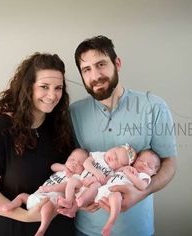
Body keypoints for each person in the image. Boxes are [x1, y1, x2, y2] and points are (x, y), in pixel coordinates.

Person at [68, 35, 177, 236]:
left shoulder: (154, 107)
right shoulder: (73, 113)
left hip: (137, 229)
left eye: (101, 64)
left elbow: (169, 162)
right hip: (86, 229)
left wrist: (142, 191)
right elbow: (72, 165)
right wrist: (77, 197)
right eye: (86, 69)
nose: (95, 75)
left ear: (117, 63)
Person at [0, 52, 77, 236]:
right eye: (44, 87)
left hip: (61, 228)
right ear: (28, 87)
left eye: (58, 88)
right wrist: (27, 216)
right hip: (16, 228)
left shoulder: (61, 126)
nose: (52, 95)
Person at [0, 148, 88, 236]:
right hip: (38, 195)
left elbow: (65, 186)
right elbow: (53, 166)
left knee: (47, 208)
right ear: (67, 159)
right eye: (72, 159)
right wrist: (64, 168)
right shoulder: (62, 170)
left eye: (80, 164)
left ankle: (42, 229)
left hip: (51, 199)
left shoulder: (76, 178)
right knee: (22, 196)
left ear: (84, 169)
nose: (75, 163)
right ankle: (9, 206)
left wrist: (49, 189)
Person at [94, 149, 161, 236]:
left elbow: (142, 186)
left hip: (118, 194)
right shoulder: (128, 168)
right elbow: (113, 173)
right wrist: (124, 169)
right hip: (104, 188)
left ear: (154, 173)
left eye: (149, 165)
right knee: (91, 189)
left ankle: (111, 220)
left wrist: (129, 173)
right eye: (141, 160)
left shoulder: (143, 176)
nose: (144, 164)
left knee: (115, 196)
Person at [57, 143, 137, 212]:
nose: (114, 158)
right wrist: (96, 172)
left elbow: (105, 181)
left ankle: (77, 205)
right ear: (112, 148)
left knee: (96, 185)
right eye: (115, 153)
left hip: (90, 192)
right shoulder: (99, 155)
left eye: (118, 161)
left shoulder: (112, 172)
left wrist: (94, 179)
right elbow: (86, 163)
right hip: (81, 181)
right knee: (72, 180)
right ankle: (68, 200)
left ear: (119, 167)